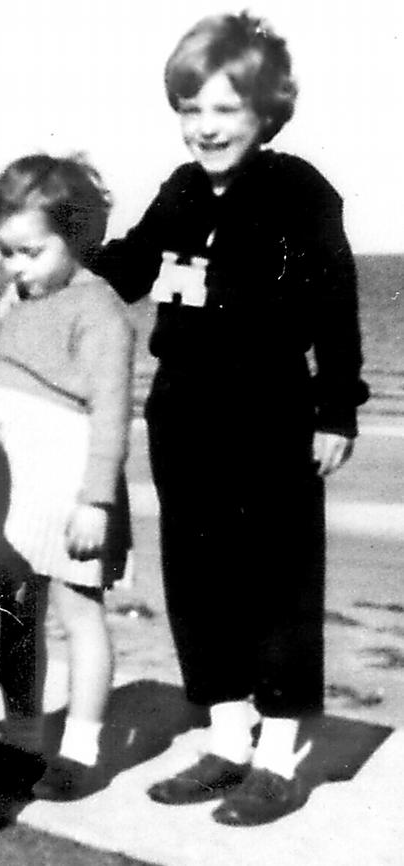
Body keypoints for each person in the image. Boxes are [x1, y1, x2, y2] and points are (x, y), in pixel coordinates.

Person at [90, 12, 369, 826]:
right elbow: (129, 268)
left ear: (267, 112)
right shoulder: (178, 192)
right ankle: (226, 736)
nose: (205, 127)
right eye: (191, 109)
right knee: (198, 576)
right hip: (183, 410)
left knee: (275, 584)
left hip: (271, 412)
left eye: (223, 110)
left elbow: (337, 307)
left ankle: (279, 759)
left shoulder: (300, 192)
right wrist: (57, 287)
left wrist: (336, 408)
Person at [0, 153, 134, 801]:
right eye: (5, 253)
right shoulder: (22, 298)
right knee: (15, 614)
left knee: (79, 614)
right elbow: (0, 367)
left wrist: (96, 501)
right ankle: (22, 738)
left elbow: (112, 414)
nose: (15, 267)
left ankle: (84, 752)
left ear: (79, 234)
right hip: (9, 485)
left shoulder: (100, 311)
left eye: (30, 252)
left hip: (69, 489)